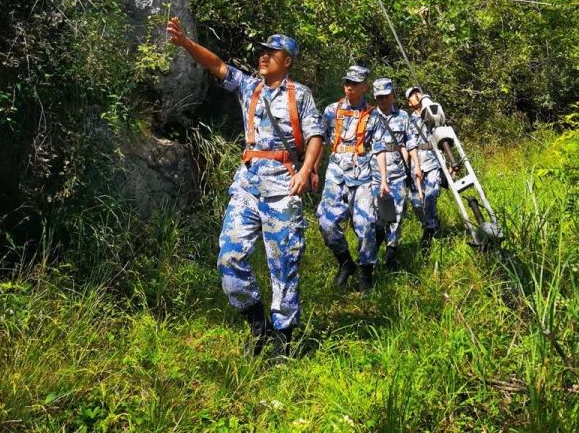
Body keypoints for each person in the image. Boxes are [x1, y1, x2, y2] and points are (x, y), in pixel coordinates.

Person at [166, 18, 323, 358]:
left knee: (284, 266)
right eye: (263, 51)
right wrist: (186, 44)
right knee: (230, 257)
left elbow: (315, 137)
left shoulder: (301, 95)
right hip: (248, 187)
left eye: (272, 52)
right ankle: (258, 325)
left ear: (287, 61)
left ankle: (285, 340)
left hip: (283, 188)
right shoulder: (249, 87)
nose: (263, 56)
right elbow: (218, 65)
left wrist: (306, 171)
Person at [315, 64, 379, 293]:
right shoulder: (331, 110)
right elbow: (319, 140)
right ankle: (345, 263)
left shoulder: (373, 115)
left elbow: (380, 150)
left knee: (365, 223)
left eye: (354, 83)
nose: (349, 87)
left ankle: (366, 272)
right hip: (336, 171)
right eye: (346, 82)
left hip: (362, 173)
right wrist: (312, 168)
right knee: (326, 221)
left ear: (365, 86)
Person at [370, 77, 422, 270]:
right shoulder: (370, 117)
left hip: (398, 174)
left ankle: (391, 257)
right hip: (375, 175)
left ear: (392, 95)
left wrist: (416, 166)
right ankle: (371, 256)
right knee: (377, 217)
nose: (382, 101)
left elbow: (411, 143)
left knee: (396, 216)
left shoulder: (403, 117)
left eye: (385, 96)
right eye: (378, 97)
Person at [405, 86, 444, 247]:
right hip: (416, 163)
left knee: (431, 194)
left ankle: (431, 229)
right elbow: (406, 144)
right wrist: (408, 168)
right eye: (413, 95)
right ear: (409, 103)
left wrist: (448, 164)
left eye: (418, 93)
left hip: (433, 161)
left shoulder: (431, 114)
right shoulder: (407, 120)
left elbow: (442, 135)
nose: (417, 96)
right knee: (415, 201)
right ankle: (430, 224)